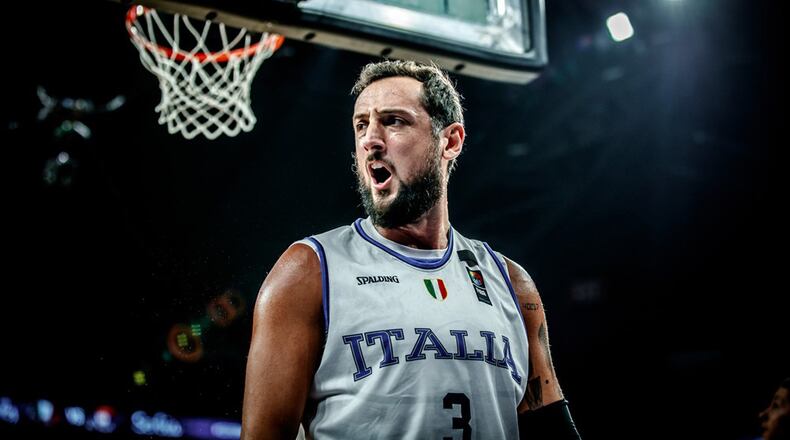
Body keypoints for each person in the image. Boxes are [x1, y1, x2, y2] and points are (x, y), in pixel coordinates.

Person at [240, 60, 581, 439]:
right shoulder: (309, 271)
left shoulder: (511, 282)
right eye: (361, 125)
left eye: (394, 121)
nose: (370, 139)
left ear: (450, 141)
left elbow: (549, 425)